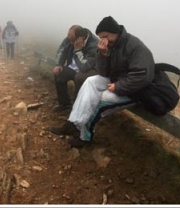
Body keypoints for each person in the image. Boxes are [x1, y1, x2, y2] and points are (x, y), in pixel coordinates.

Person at [48, 16, 164, 148]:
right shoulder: (111, 44)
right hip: (117, 80)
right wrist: (103, 54)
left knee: (100, 99)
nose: (103, 40)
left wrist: (119, 86)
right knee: (90, 82)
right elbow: (103, 72)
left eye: (105, 36)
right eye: (101, 37)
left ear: (115, 32)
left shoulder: (136, 47)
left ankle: (85, 137)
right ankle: (72, 124)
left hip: (136, 90)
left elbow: (143, 77)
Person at [52, 25, 99, 112]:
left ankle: (77, 108)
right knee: (59, 73)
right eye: (69, 39)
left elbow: (84, 67)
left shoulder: (94, 45)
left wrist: (78, 50)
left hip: (87, 72)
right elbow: (62, 49)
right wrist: (58, 64)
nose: (70, 42)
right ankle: (64, 104)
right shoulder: (70, 38)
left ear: (81, 39)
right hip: (73, 68)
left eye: (72, 41)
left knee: (79, 78)